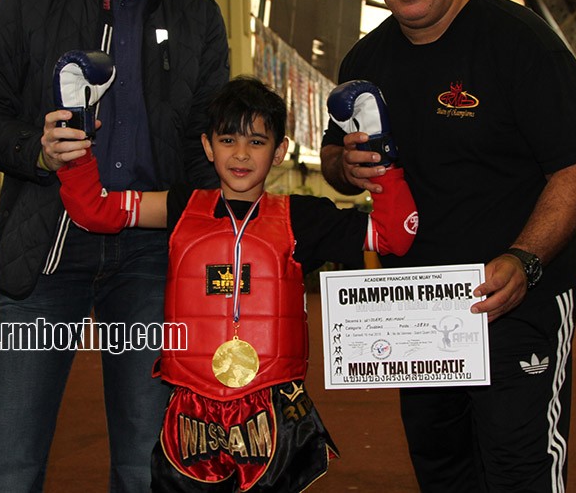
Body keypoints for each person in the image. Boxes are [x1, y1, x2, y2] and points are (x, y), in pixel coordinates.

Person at [0, 0, 230, 492]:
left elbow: (208, 145)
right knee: (8, 460)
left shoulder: (196, 14)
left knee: (149, 461)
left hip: (151, 258)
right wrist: (35, 148)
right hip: (47, 248)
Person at [319, 0, 576, 492]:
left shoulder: (521, 42)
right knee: (443, 471)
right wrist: (345, 166)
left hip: (518, 297)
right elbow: (330, 158)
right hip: (419, 307)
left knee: (518, 471)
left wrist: (524, 258)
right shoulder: (365, 59)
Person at [56, 76, 419, 490]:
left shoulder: (303, 217)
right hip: (189, 407)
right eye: (228, 140)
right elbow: (95, 209)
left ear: (280, 151)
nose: (241, 154)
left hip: (274, 406)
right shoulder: (181, 206)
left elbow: (395, 236)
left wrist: (381, 154)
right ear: (208, 146)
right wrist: (76, 143)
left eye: (258, 142)